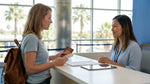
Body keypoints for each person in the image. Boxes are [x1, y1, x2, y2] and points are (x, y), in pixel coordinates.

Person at [21, 3, 68, 84]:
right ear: (39, 18)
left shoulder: (35, 37)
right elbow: (30, 69)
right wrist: (54, 63)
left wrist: (55, 57)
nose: (51, 21)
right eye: (49, 18)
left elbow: (38, 61)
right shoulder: (31, 38)